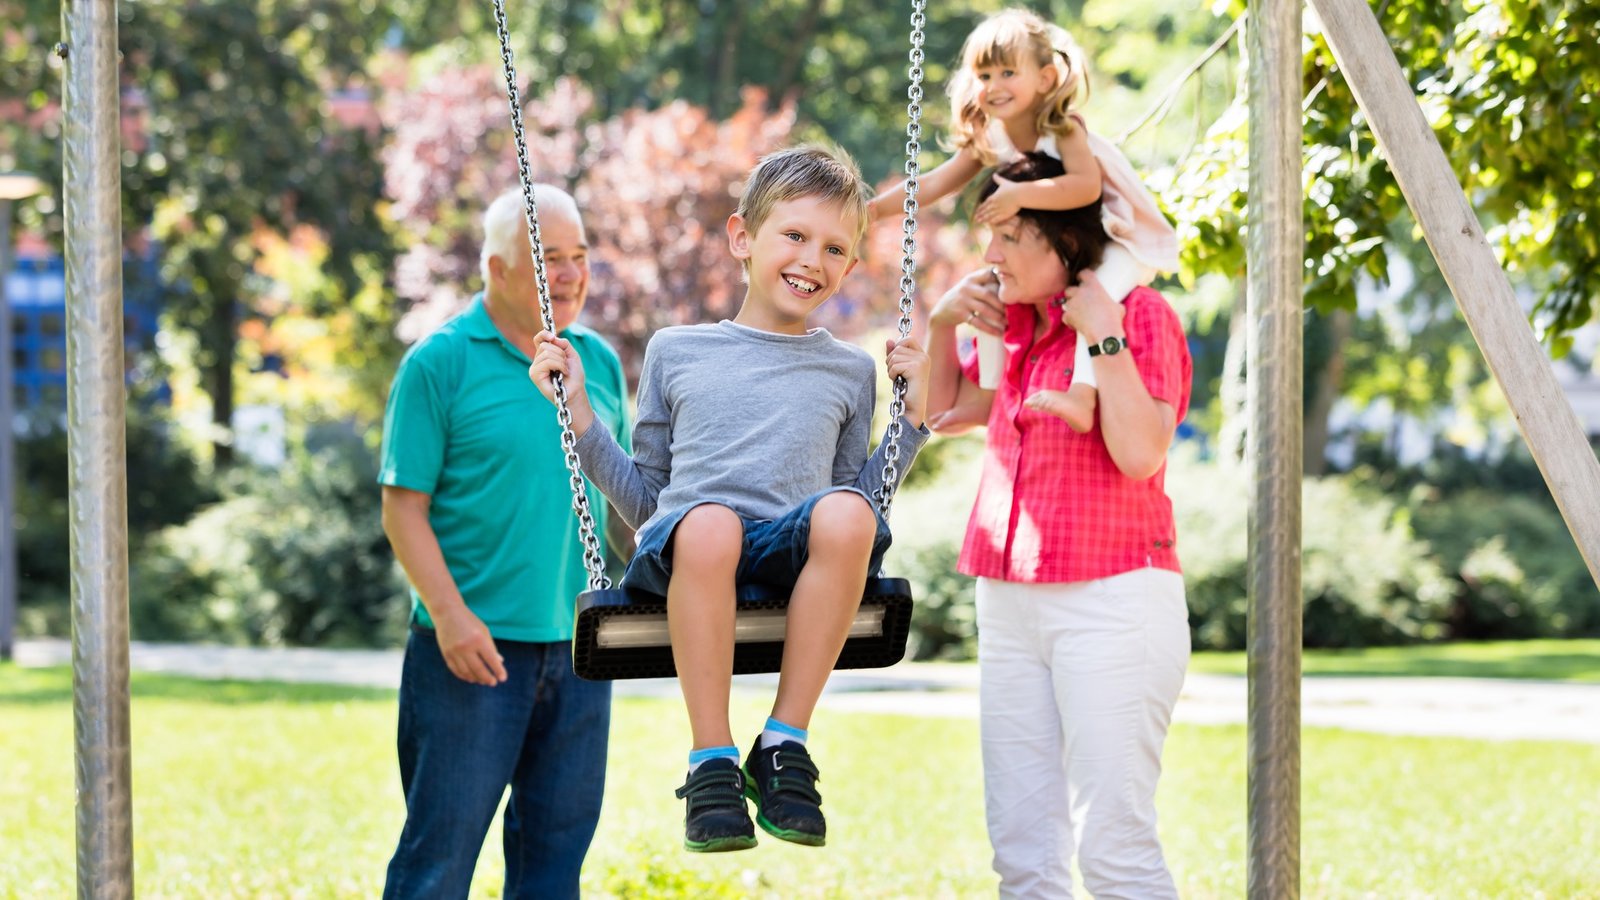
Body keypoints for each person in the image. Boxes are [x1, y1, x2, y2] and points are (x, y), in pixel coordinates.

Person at [529, 144, 932, 853]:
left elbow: (855, 508)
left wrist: (913, 425)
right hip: (688, 550)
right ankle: (710, 758)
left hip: (787, 553)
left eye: (834, 246)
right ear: (744, 237)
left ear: (850, 264)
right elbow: (648, 501)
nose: (813, 258)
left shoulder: (847, 370)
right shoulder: (677, 351)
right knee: (710, 525)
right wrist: (584, 421)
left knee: (844, 512)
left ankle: (783, 747)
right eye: (795, 235)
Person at [925, 152, 1192, 899]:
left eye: (1011, 235)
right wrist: (946, 324)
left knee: (1114, 848)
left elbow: (1140, 454)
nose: (992, 253)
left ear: (1068, 240)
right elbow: (940, 414)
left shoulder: (1141, 316)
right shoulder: (1015, 325)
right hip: (1009, 600)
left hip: (1112, 601)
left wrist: (1103, 336)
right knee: (1023, 851)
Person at [378, 184, 631, 899]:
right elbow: (403, 510)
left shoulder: (597, 363)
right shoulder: (440, 364)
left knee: (555, 871)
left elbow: (622, 503)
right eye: (551, 260)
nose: (574, 275)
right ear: (497, 270)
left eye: (581, 257)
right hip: (470, 658)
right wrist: (452, 619)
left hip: (581, 654)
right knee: (437, 866)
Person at [871, 7, 1179, 434]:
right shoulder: (994, 135)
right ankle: (989, 398)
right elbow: (938, 181)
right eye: (984, 76)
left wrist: (1018, 195)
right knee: (996, 294)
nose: (994, 86)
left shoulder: (1062, 127)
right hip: (1076, 239)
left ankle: (1082, 396)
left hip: (1125, 238)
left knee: (1095, 301)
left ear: (1046, 79)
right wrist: (872, 210)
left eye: (1007, 73)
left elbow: (1085, 187)